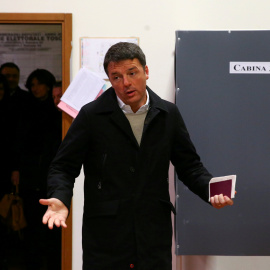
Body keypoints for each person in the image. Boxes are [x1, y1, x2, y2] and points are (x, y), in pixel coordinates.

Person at [40, 42, 234, 270]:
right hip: (106, 236)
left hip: (152, 233)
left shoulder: (168, 114)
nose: (126, 83)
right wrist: (60, 198)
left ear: (146, 71)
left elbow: (190, 165)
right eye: (116, 77)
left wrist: (211, 190)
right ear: (110, 81)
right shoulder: (91, 116)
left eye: (132, 73)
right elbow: (63, 166)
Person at [15, 69, 61, 270]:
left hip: (50, 174)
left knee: (52, 225)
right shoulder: (26, 108)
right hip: (30, 173)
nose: (36, 89)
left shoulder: (58, 111)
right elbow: (19, 141)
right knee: (32, 223)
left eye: (39, 83)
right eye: (32, 85)